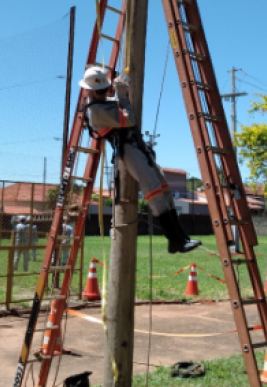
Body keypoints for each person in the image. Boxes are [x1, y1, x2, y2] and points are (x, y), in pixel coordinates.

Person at [79, 65, 201, 255]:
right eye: (100, 90)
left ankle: (180, 238)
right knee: (153, 190)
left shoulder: (101, 102)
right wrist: (123, 96)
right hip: (128, 149)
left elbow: (116, 104)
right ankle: (175, 239)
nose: (104, 93)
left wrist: (121, 90)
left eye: (105, 90)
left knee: (164, 189)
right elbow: (129, 119)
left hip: (137, 146)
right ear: (90, 91)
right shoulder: (96, 110)